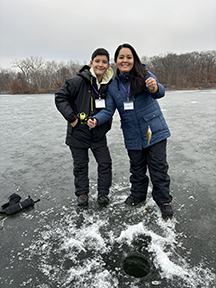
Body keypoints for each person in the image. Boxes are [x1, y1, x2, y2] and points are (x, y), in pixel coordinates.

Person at [88, 43, 173, 217]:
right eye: (121, 57)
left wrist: (154, 87)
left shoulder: (145, 75)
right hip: (132, 133)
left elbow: (159, 92)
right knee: (137, 169)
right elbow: (108, 110)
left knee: (158, 169)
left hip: (153, 131)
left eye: (128, 57)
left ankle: (164, 201)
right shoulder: (113, 86)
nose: (125, 60)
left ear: (134, 59)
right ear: (116, 61)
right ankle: (138, 195)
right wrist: (96, 119)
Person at [55, 48, 113, 206]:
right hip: (78, 133)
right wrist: (71, 118)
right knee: (80, 165)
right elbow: (60, 97)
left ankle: (103, 194)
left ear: (108, 65)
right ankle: (82, 194)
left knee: (105, 163)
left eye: (104, 62)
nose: (100, 64)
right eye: (97, 61)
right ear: (91, 63)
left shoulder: (109, 84)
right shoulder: (78, 81)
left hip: (98, 133)